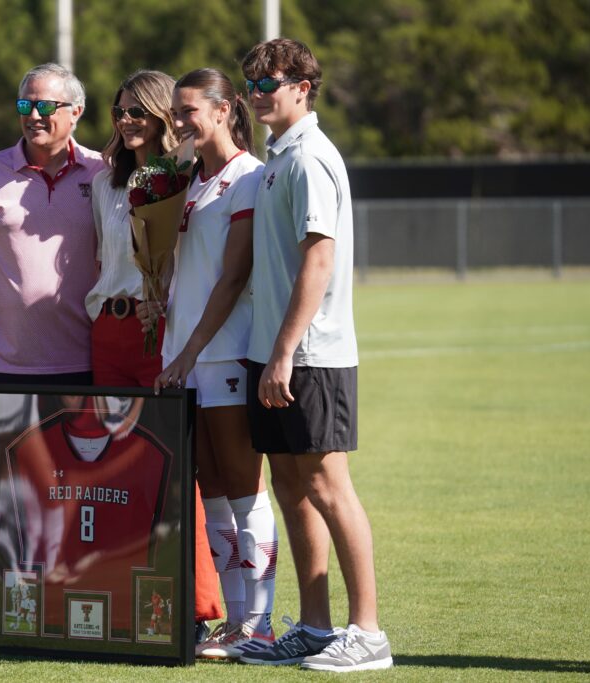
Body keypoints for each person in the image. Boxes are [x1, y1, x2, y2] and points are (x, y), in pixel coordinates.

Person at [237, 39, 393, 671]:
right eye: (250, 84)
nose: (256, 94)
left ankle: (369, 633)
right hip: (273, 353)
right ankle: (315, 626)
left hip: (310, 355)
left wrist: (283, 352)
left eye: (268, 83)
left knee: (328, 485)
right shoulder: (277, 157)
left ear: (303, 87)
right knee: (290, 486)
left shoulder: (310, 157)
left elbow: (319, 260)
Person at [0, 63, 106, 649]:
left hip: (87, 367)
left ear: (75, 112)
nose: (34, 116)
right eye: (24, 105)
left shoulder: (105, 174)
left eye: (46, 106)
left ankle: (72, 605)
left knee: (80, 494)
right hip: (4, 370)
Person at [84, 69, 223, 644]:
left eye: (137, 111)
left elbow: (191, 258)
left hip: (162, 336)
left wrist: (159, 299)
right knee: (119, 475)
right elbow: (107, 261)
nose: (125, 121)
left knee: (175, 473)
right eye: (119, 111)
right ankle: (130, 603)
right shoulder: (103, 184)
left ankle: (199, 610)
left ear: (163, 114)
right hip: (108, 336)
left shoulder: (185, 177)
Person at [147, 68, 276, 660]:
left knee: (245, 490)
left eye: (189, 110)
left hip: (224, 351)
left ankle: (261, 624)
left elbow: (233, 277)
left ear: (224, 110)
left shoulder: (247, 177)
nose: (178, 120)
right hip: (185, 354)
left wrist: (191, 350)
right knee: (213, 492)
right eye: (175, 111)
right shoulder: (187, 180)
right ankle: (236, 620)